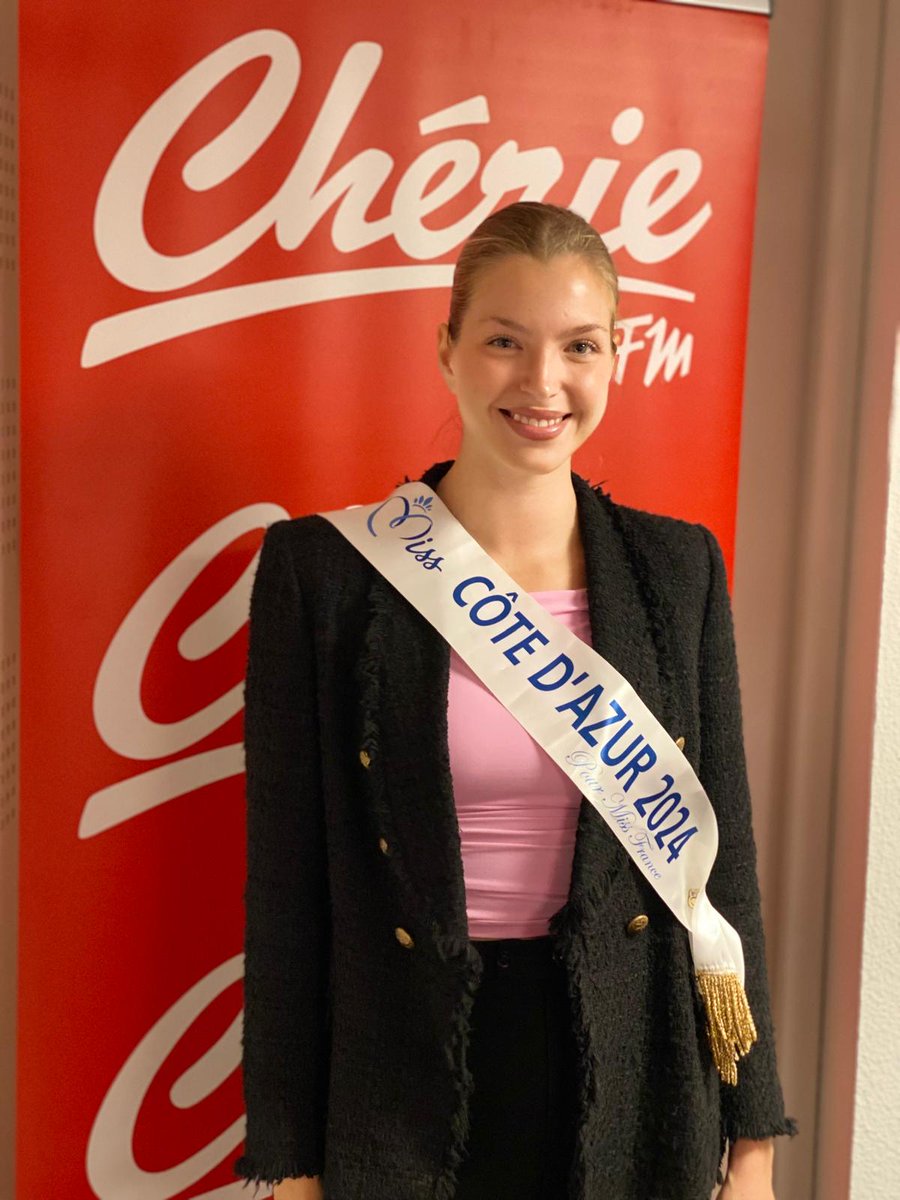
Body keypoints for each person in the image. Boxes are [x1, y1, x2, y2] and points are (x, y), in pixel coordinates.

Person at [233, 202, 797, 1200]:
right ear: (447, 348)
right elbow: (287, 895)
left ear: (616, 356)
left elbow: (725, 866)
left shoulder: (678, 570)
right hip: (402, 1069)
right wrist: (291, 1164)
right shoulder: (322, 576)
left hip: (632, 1063)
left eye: (580, 346)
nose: (544, 383)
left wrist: (752, 1141)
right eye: (504, 341)